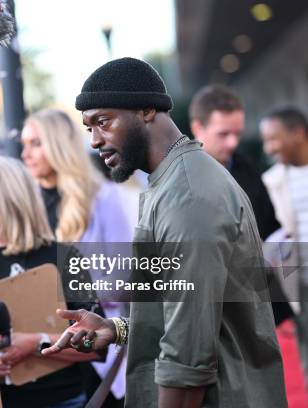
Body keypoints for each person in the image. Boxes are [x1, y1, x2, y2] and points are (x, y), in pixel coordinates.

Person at [43, 57, 287, 408]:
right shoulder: (170, 182)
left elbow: (188, 357)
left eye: (104, 122)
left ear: (146, 110)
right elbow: (176, 312)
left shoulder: (189, 194)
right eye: (89, 128)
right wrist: (116, 329)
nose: (95, 140)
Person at [0, 156, 104, 408]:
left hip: (61, 401)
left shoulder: (63, 257)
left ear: (8, 194)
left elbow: (97, 343)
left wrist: (37, 342)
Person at [21, 108, 131, 406]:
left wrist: (81, 292)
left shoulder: (103, 198)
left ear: (58, 145)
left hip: (98, 344)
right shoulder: (25, 211)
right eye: (24, 145)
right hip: (46, 352)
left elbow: (128, 273)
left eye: (35, 144)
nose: (25, 154)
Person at [189, 84, 280, 241]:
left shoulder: (247, 168)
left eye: (237, 133)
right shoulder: (177, 178)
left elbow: (270, 226)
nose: (233, 142)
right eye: (223, 134)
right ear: (197, 128)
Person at [260, 107, 308, 373]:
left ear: (298, 133)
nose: (268, 148)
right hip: (300, 285)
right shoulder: (271, 182)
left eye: (273, 138)